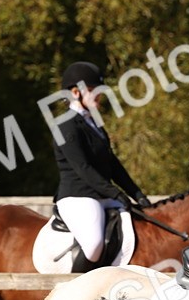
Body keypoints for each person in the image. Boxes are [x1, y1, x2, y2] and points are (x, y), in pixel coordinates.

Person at [54, 61, 152, 272]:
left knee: (143, 226)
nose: (98, 95)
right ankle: (74, 290)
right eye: (91, 90)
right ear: (75, 92)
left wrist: (138, 194)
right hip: (78, 197)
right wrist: (116, 194)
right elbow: (83, 168)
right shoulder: (65, 125)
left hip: (102, 196)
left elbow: (113, 165)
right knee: (94, 245)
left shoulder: (95, 124)